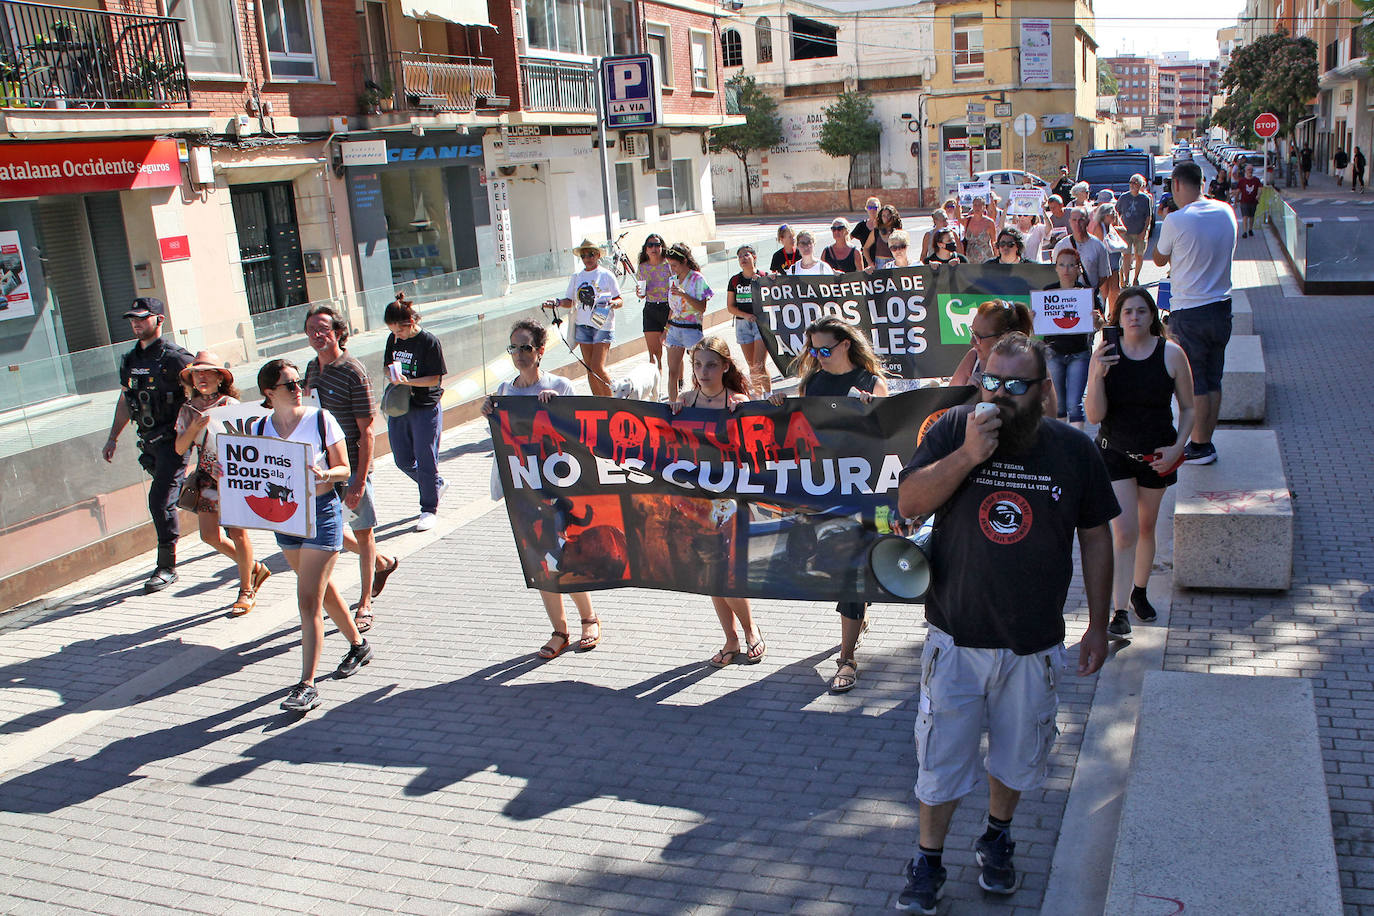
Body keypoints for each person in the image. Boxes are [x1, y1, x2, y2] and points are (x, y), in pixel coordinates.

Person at [894, 333, 1117, 912]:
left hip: (1033, 642)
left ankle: (996, 838)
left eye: (1015, 385)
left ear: (1044, 392)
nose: (997, 395)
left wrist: (1098, 624)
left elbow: (1095, 537)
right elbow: (910, 504)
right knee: (940, 760)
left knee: (1017, 758)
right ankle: (928, 861)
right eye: (990, 380)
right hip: (957, 636)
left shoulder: (1073, 450)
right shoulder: (953, 430)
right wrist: (969, 454)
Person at [772, 317, 888, 693]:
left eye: (825, 349)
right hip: (824, 488)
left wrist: (876, 411)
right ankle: (856, 621)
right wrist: (779, 405)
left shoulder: (872, 383)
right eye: (813, 350)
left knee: (850, 572)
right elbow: (799, 427)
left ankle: (847, 657)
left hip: (861, 489)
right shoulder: (813, 382)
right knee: (830, 565)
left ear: (845, 345)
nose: (818, 357)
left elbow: (888, 438)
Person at [255, 359, 373, 713]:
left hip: (321, 514)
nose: (297, 389)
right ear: (268, 393)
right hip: (286, 518)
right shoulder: (261, 428)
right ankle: (358, 644)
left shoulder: (321, 419)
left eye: (297, 383)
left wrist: (324, 473)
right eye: (288, 385)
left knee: (307, 600)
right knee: (322, 592)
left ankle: (307, 685)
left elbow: (344, 468)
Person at [482, 319, 601, 658]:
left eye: (526, 347)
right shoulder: (505, 391)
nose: (519, 354)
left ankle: (588, 618)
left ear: (540, 351)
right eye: (514, 347)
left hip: (559, 487)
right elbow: (502, 437)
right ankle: (559, 631)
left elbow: (580, 432)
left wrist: (559, 410)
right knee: (539, 559)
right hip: (526, 489)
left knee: (564, 553)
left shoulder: (560, 386)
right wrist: (487, 411)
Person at [1084, 286, 1195, 639]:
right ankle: (1118, 612)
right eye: (1127, 312)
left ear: (1152, 316)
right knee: (1125, 531)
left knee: (1147, 528)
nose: (1134, 317)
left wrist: (1180, 447)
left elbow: (1190, 407)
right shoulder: (1104, 354)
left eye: (1141, 311)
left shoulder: (1171, 354)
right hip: (1114, 453)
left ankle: (1140, 591)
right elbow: (1093, 413)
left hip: (1156, 457)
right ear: (1117, 319)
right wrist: (1096, 374)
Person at [304, 304, 399, 632]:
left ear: (338, 332)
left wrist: (360, 480)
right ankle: (382, 562)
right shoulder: (311, 370)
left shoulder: (353, 371)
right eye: (312, 329)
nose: (318, 335)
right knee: (331, 530)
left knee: (363, 531)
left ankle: (364, 602)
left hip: (352, 468)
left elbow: (367, 431)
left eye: (324, 329)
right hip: (322, 470)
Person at [672, 336, 765, 667]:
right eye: (697, 364)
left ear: (726, 366)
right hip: (697, 501)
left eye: (711, 364)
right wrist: (671, 415)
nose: (703, 371)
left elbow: (759, 444)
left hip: (731, 500)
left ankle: (750, 630)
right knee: (710, 573)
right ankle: (730, 638)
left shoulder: (737, 402)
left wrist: (748, 412)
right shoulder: (685, 401)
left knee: (724, 572)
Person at [102, 297, 195, 592]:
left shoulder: (176, 358)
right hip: (150, 442)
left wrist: (195, 434)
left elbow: (202, 394)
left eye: (143, 317)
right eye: (133, 318)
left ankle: (166, 566)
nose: (136, 323)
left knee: (159, 500)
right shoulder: (131, 360)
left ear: (159, 320)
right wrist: (113, 437)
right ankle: (219, 515)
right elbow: (126, 401)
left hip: (174, 441)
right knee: (172, 495)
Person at [1153, 160, 1237, 466]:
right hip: (1222, 307)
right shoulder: (1226, 210)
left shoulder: (1177, 219)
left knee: (1196, 381)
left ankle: (1199, 445)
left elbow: (1159, 258)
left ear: (1176, 184)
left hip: (1190, 309)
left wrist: (1165, 220)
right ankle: (1207, 442)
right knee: (1214, 379)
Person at [172, 351, 268, 614]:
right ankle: (254, 568)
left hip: (233, 479)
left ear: (219, 377)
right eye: (197, 373)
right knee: (209, 536)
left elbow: (250, 442)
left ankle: (246, 590)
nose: (201, 378)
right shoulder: (187, 410)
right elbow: (180, 448)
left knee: (237, 533)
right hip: (206, 481)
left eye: (207, 372)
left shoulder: (230, 406)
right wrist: (194, 427)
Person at [383, 294, 448, 531]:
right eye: (393, 332)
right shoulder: (393, 340)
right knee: (402, 459)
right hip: (401, 405)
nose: (396, 336)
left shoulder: (429, 341)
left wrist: (408, 382)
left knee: (426, 458)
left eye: (399, 331)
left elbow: (435, 378)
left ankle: (429, 508)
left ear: (410, 324)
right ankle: (436, 484)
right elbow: (385, 365)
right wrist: (392, 375)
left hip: (425, 405)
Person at [549, 238, 622, 399]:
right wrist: (557, 303)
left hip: (603, 324)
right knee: (589, 368)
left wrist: (613, 304)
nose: (587, 258)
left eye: (591, 254)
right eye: (584, 256)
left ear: (597, 255)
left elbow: (619, 299)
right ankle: (599, 403)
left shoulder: (606, 275)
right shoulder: (577, 276)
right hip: (583, 325)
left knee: (597, 366)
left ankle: (614, 400)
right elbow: (570, 301)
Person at [1042, 247, 1101, 430]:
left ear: (1078, 269)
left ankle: (1077, 446)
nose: (1066, 269)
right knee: (1058, 404)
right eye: (1062, 265)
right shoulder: (1047, 292)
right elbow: (1035, 324)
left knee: (1074, 404)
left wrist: (1097, 320)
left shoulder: (1087, 293)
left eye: (1071, 265)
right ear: (1056, 268)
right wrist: (1032, 316)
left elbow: (1100, 324)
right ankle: (1060, 443)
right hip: (1053, 352)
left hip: (1079, 353)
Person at [664, 242, 713, 401]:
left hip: (692, 329)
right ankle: (672, 405)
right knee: (672, 371)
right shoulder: (673, 279)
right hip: (675, 329)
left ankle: (699, 401)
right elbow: (672, 307)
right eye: (670, 265)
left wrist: (684, 295)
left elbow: (702, 307)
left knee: (698, 370)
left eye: (675, 265)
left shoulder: (697, 278)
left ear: (684, 261)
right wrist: (666, 328)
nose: (673, 268)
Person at [726, 244, 771, 395]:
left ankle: (769, 394)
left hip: (761, 324)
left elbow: (773, 299)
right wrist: (746, 315)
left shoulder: (763, 276)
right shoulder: (735, 280)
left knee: (759, 364)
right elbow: (730, 306)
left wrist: (768, 282)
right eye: (739, 256)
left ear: (754, 257)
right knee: (752, 365)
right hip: (743, 324)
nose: (743, 258)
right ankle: (758, 397)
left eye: (746, 255)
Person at [1053, 208, 1112, 305]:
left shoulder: (1098, 246)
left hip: (1090, 297)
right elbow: (1054, 272)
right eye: (1074, 220)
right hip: (1066, 299)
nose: (1077, 224)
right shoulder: (1061, 246)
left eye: (1081, 220)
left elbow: (1104, 275)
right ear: (1070, 222)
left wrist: (1090, 290)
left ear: (1087, 221)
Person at [635, 233, 672, 371]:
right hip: (650, 308)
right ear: (646, 249)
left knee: (673, 352)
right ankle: (656, 388)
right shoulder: (643, 267)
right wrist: (639, 293)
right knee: (654, 355)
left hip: (668, 308)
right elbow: (641, 292)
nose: (654, 248)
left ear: (662, 247)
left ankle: (678, 383)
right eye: (650, 245)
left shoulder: (669, 265)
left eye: (657, 244)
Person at [1117, 174, 1153, 286]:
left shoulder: (1145, 199)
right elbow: (1117, 213)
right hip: (1126, 232)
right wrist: (1119, 227)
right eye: (1131, 183)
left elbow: (1148, 216)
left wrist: (1144, 231)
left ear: (1140, 185)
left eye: (1135, 183)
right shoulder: (1124, 197)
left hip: (1140, 231)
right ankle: (1126, 278)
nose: (1132, 185)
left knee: (1139, 255)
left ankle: (1136, 278)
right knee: (1126, 255)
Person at [961, 196, 997, 264]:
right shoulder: (968, 220)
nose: (977, 207)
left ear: (984, 207)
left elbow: (994, 242)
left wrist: (997, 259)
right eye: (975, 205)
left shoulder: (989, 222)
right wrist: (958, 203)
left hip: (986, 260)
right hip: (970, 260)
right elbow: (958, 218)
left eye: (979, 205)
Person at [1235, 164, 1262, 238]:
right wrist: (1236, 201)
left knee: (1251, 216)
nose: (1250, 171)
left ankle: (1250, 229)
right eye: (1248, 170)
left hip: (1253, 201)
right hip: (1244, 201)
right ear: (1245, 171)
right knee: (1245, 216)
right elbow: (1238, 191)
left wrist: (1258, 195)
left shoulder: (1256, 180)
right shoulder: (1242, 181)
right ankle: (1244, 231)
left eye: (1251, 170)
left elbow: (1260, 189)